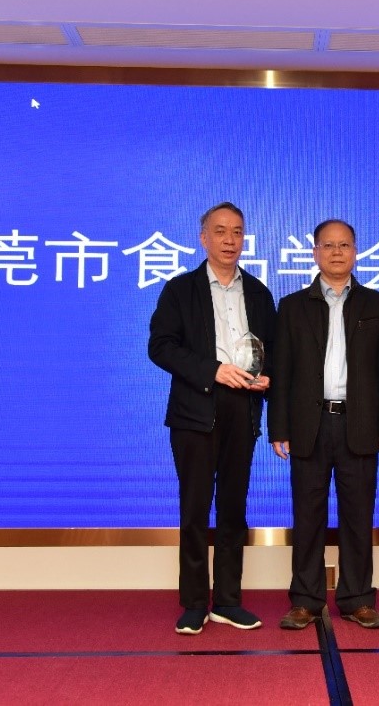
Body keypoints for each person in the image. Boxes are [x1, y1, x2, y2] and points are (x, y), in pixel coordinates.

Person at [148, 201, 277, 635]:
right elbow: (160, 346)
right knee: (195, 509)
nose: (229, 240)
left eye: (237, 232)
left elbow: (273, 351)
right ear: (203, 238)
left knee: (233, 509)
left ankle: (227, 600)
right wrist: (213, 370)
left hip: (244, 407)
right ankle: (193, 603)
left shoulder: (258, 292)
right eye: (220, 231)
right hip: (195, 410)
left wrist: (268, 378)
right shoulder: (180, 290)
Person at [268, 219, 379, 630]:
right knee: (307, 516)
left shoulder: (377, 305)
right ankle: (305, 600)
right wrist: (279, 427)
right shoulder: (292, 306)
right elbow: (281, 372)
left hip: (358, 424)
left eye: (344, 245)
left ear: (356, 251)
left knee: (358, 516)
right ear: (315, 253)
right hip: (308, 425)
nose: (337, 252)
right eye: (328, 245)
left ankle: (358, 599)